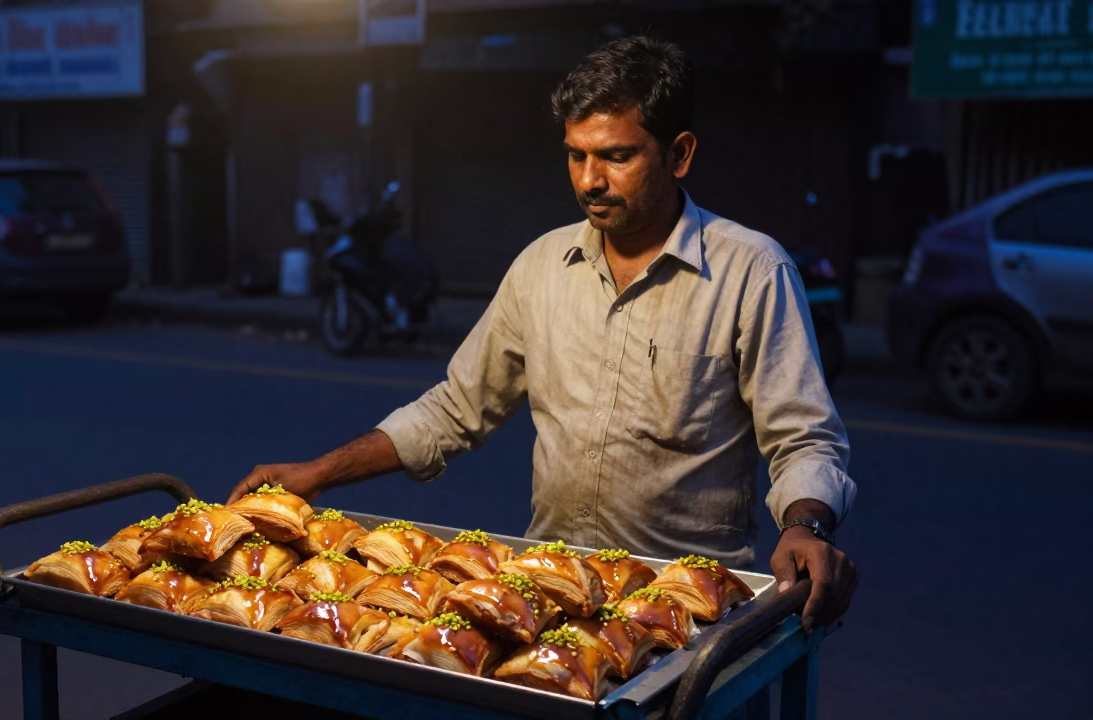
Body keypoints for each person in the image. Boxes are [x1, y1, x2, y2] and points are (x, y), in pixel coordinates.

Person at [231, 36, 858, 631]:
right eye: (576, 154)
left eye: (616, 156)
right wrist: (317, 472)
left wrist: (806, 528)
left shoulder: (752, 271)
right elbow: (455, 409)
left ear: (679, 153)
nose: (589, 180)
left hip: (689, 609)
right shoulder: (541, 266)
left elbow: (804, 438)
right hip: (549, 592)